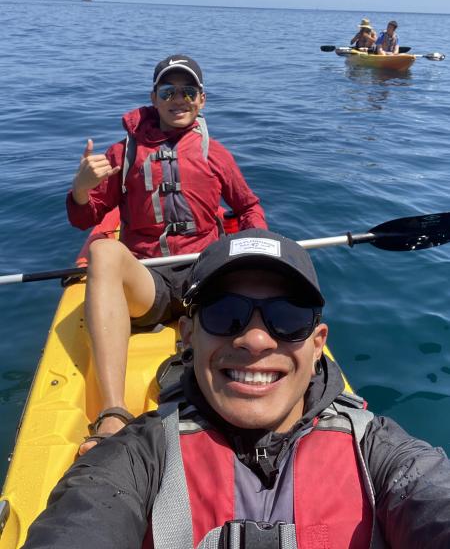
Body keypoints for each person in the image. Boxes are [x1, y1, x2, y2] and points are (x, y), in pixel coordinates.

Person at [22, 229, 450, 548]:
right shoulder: (138, 456)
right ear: (186, 337)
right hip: (163, 275)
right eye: (226, 314)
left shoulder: (381, 453)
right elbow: (82, 521)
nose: (256, 340)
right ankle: (113, 406)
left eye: (287, 317)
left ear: (319, 344)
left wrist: (247, 233)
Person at [66, 55, 267, 454]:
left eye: (188, 91)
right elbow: (83, 217)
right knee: (104, 249)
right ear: (153, 98)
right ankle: (112, 411)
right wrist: (81, 187)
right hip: (150, 283)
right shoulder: (122, 154)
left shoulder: (217, 153)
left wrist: (253, 249)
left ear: (202, 100)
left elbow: (248, 208)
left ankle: (235, 405)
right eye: (168, 91)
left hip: (204, 279)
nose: (179, 98)